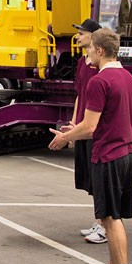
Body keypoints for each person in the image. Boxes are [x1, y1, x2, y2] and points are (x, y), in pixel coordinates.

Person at [49, 28, 132, 264]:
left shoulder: (99, 82)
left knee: (111, 218)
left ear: (100, 50)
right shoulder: (129, 79)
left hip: (108, 154)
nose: (86, 52)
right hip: (127, 153)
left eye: (89, 49)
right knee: (110, 215)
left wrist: (65, 137)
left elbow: (89, 127)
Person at [51, 19, 103, 243]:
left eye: (82, 33)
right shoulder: (82, 62)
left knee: (100, 177)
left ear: (93, 37)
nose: (78, 37)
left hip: (96, 129)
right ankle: (98, 220)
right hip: (83, 125)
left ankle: (104, 225)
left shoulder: (100, 65)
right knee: (90, 177)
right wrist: (74, 122)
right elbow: (80, 94)